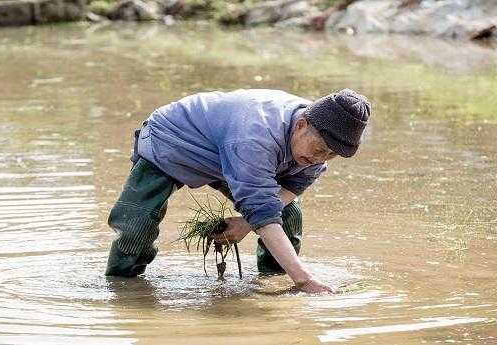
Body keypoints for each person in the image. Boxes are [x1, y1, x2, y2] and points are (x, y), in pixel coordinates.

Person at [104, 88, 371, 293]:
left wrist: (244, 224)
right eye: (319, 149)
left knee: (288, 213)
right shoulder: (255, 136)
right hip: (173, 141)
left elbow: (293, 187)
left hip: (232, 155)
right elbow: (263, 212)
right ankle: (124, 289)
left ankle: (273, 281)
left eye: (331, 154)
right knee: (135, 224)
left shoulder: (316, 145)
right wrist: (305, 279)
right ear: (300, 125)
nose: (321, 158)